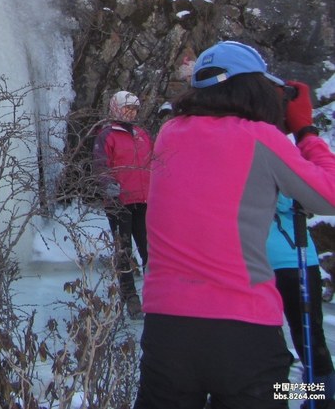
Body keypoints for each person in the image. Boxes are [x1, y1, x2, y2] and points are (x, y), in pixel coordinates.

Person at [134, 41, 335, 409]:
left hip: (168, 329)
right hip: (245, 327)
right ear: (255, 87)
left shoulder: (169, 134)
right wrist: (305, 130)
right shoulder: (262, 139)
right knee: (300, 372)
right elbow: (329, 195)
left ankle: (320, 391)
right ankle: (322, 394)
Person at [267, 194, 335, 407]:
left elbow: (302, 197)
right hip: (251, 263)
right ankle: (276, 396)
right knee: (263, 338)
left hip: (294, 260)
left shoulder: (280, 163)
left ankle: (320, 399)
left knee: (309, 337)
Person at [93, 90, 153, 319]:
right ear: (116, 108)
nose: (131, 112)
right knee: (124, 250)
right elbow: (100, 164)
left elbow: (155, 161)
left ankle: (155, 295)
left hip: (144, 200)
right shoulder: (106, 135)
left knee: (150, 250)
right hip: (119, 203)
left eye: (134, 108)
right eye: (126, 107)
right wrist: (108, 183)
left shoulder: (142, 134)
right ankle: (131, 298)